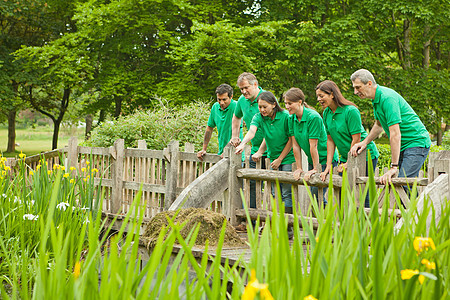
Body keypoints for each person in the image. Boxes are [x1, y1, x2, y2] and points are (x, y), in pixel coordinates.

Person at [350, 69, 431, 188]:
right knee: (401, 186)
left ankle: (419, 206)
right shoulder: (376, 100)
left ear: (369, 83)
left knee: (403, 184)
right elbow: (379, 125)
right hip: (404, 145)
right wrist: (364, 142)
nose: (355, 92)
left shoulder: (387, 98)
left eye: (358, 87)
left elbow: (395, 134)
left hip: (416, 142)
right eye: (354, 88)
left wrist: (394, 167)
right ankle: (418, 205)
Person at [316, 80, 379, 208]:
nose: (318, 99)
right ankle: (347, 225)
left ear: (332, 94)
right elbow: (330, 140)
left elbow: (356, 138)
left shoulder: (350, 111)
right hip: (346, 157)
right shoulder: (327, 113)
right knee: (344, 192)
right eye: (318, 96)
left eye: (321, 96)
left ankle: (367, 226)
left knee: (363, 193)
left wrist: (349, 163)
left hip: (365, 156)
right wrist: (328, 165)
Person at [235, 91, 295, 212]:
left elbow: (291, 141)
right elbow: (252, 132)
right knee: (274, 192)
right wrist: (243, 144)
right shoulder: (259, 117)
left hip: (287, 157)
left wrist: (280, 159)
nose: (262, 110)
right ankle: (275, 223)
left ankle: (287, 227)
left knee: (286, 193)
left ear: (273, 104)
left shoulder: (285, 116)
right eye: (260, 107)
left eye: (265, 107)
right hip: (273, 158)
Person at [284, 87, 338, 205]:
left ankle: (323, 220)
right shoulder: (291, 118)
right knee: (314, 194)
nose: (287, 106)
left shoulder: (313, 117)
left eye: (290, 103)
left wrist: (315, 168)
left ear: (299, 102)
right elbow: (295, 145)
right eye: (285, 103)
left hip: (325, 159)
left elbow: (313, 146)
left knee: (316, 193)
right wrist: (299, 168)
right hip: (312, 159)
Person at [230, 73, 267, 210]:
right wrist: (235, 136)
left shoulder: (266, 98)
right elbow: (236, 118)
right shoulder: (241, 100)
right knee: (252, 184)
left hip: (272, 150)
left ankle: (274, 222)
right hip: (254, 148)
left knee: (273, 186)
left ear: (255, 85)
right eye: (241, 89)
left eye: (246, 87)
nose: (244, 91)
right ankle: (251, 220)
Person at [197, 83, 241, 160]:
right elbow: (209, 128)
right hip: (221, 153)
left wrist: (228, 149)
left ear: (231, 97)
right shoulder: (215, 107)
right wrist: (204, 149)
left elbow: (237, 132)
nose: (221, 102)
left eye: (224, 99)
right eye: (219, 99)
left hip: (236, 154)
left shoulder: (236, 106)